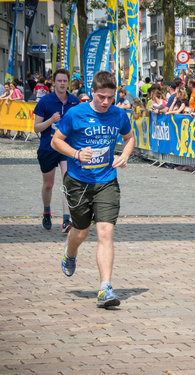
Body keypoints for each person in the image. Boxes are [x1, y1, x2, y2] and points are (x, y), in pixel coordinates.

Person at [51, 70, 134, 308]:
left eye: (110, 97)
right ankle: (70, 250)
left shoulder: (118, 115)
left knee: (105, 232)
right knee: (81, 231)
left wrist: (125, 155)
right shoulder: (76, 113)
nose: (106, 102)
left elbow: (129, 138)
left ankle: (105, 288)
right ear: (92, 93)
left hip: (106, 180)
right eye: (101, 97)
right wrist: (76, 153)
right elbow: (56, 141)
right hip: (78, 181)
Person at [33, 68, 79, 232]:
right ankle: (47, 211)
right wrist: (51, 120)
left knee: (67, 183)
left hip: (67, 148)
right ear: (54, 83)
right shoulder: (45, 102)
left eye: (65, 81)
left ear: (68, 83)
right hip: (48, 147)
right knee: (48, 184)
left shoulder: (74, 102)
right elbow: (36, 128)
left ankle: (66, 220)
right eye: (59, 81)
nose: (62, 84)